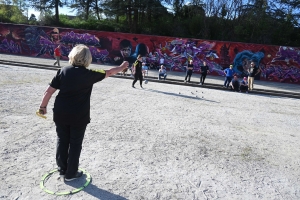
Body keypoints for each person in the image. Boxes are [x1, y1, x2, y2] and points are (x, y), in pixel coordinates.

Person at [37, 44, 129, 181]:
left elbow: (48, 91)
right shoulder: (89, 74)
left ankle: (62, 170)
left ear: (72, 56)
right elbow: (109, 72)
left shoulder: (63, 71)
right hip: (79, 116)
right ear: (88, 59)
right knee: (75, 143)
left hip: (60, 113)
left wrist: (42, 107)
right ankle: (71, 173)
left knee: (62, 140)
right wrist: (122, 67)